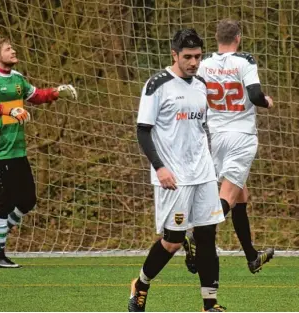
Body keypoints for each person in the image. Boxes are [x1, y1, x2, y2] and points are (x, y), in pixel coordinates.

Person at [128, 29, 226, 312]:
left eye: (197, 56)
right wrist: (159, 168)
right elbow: (143, 131)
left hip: (203, 173)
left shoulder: (201, 85)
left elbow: (200, 129)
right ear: (174, 55)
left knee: (207, 236)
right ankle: (141, 284)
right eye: (188, 57)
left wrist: (210, 161)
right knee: (173, 241)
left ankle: (210, 304)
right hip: (173, 177)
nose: (194, 62)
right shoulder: (157, 84)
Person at [0, 38, 77, 268]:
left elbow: (36, 96)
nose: (13, 50)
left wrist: (56, 92)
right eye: (8, 49)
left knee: (28, 199)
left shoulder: (17, 77)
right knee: (5, 201)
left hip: (17, 150)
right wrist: (8, 109)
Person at [184, 19, 274, 275]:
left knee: (241, 196)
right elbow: (255, 96)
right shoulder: (244, 61)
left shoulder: (205, 65)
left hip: (216, 136)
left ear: (216, 38)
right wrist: (267, 102)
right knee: (227, 198)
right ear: (238, 38)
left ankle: (251, 256)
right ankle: (192, 233)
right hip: (241, 137)